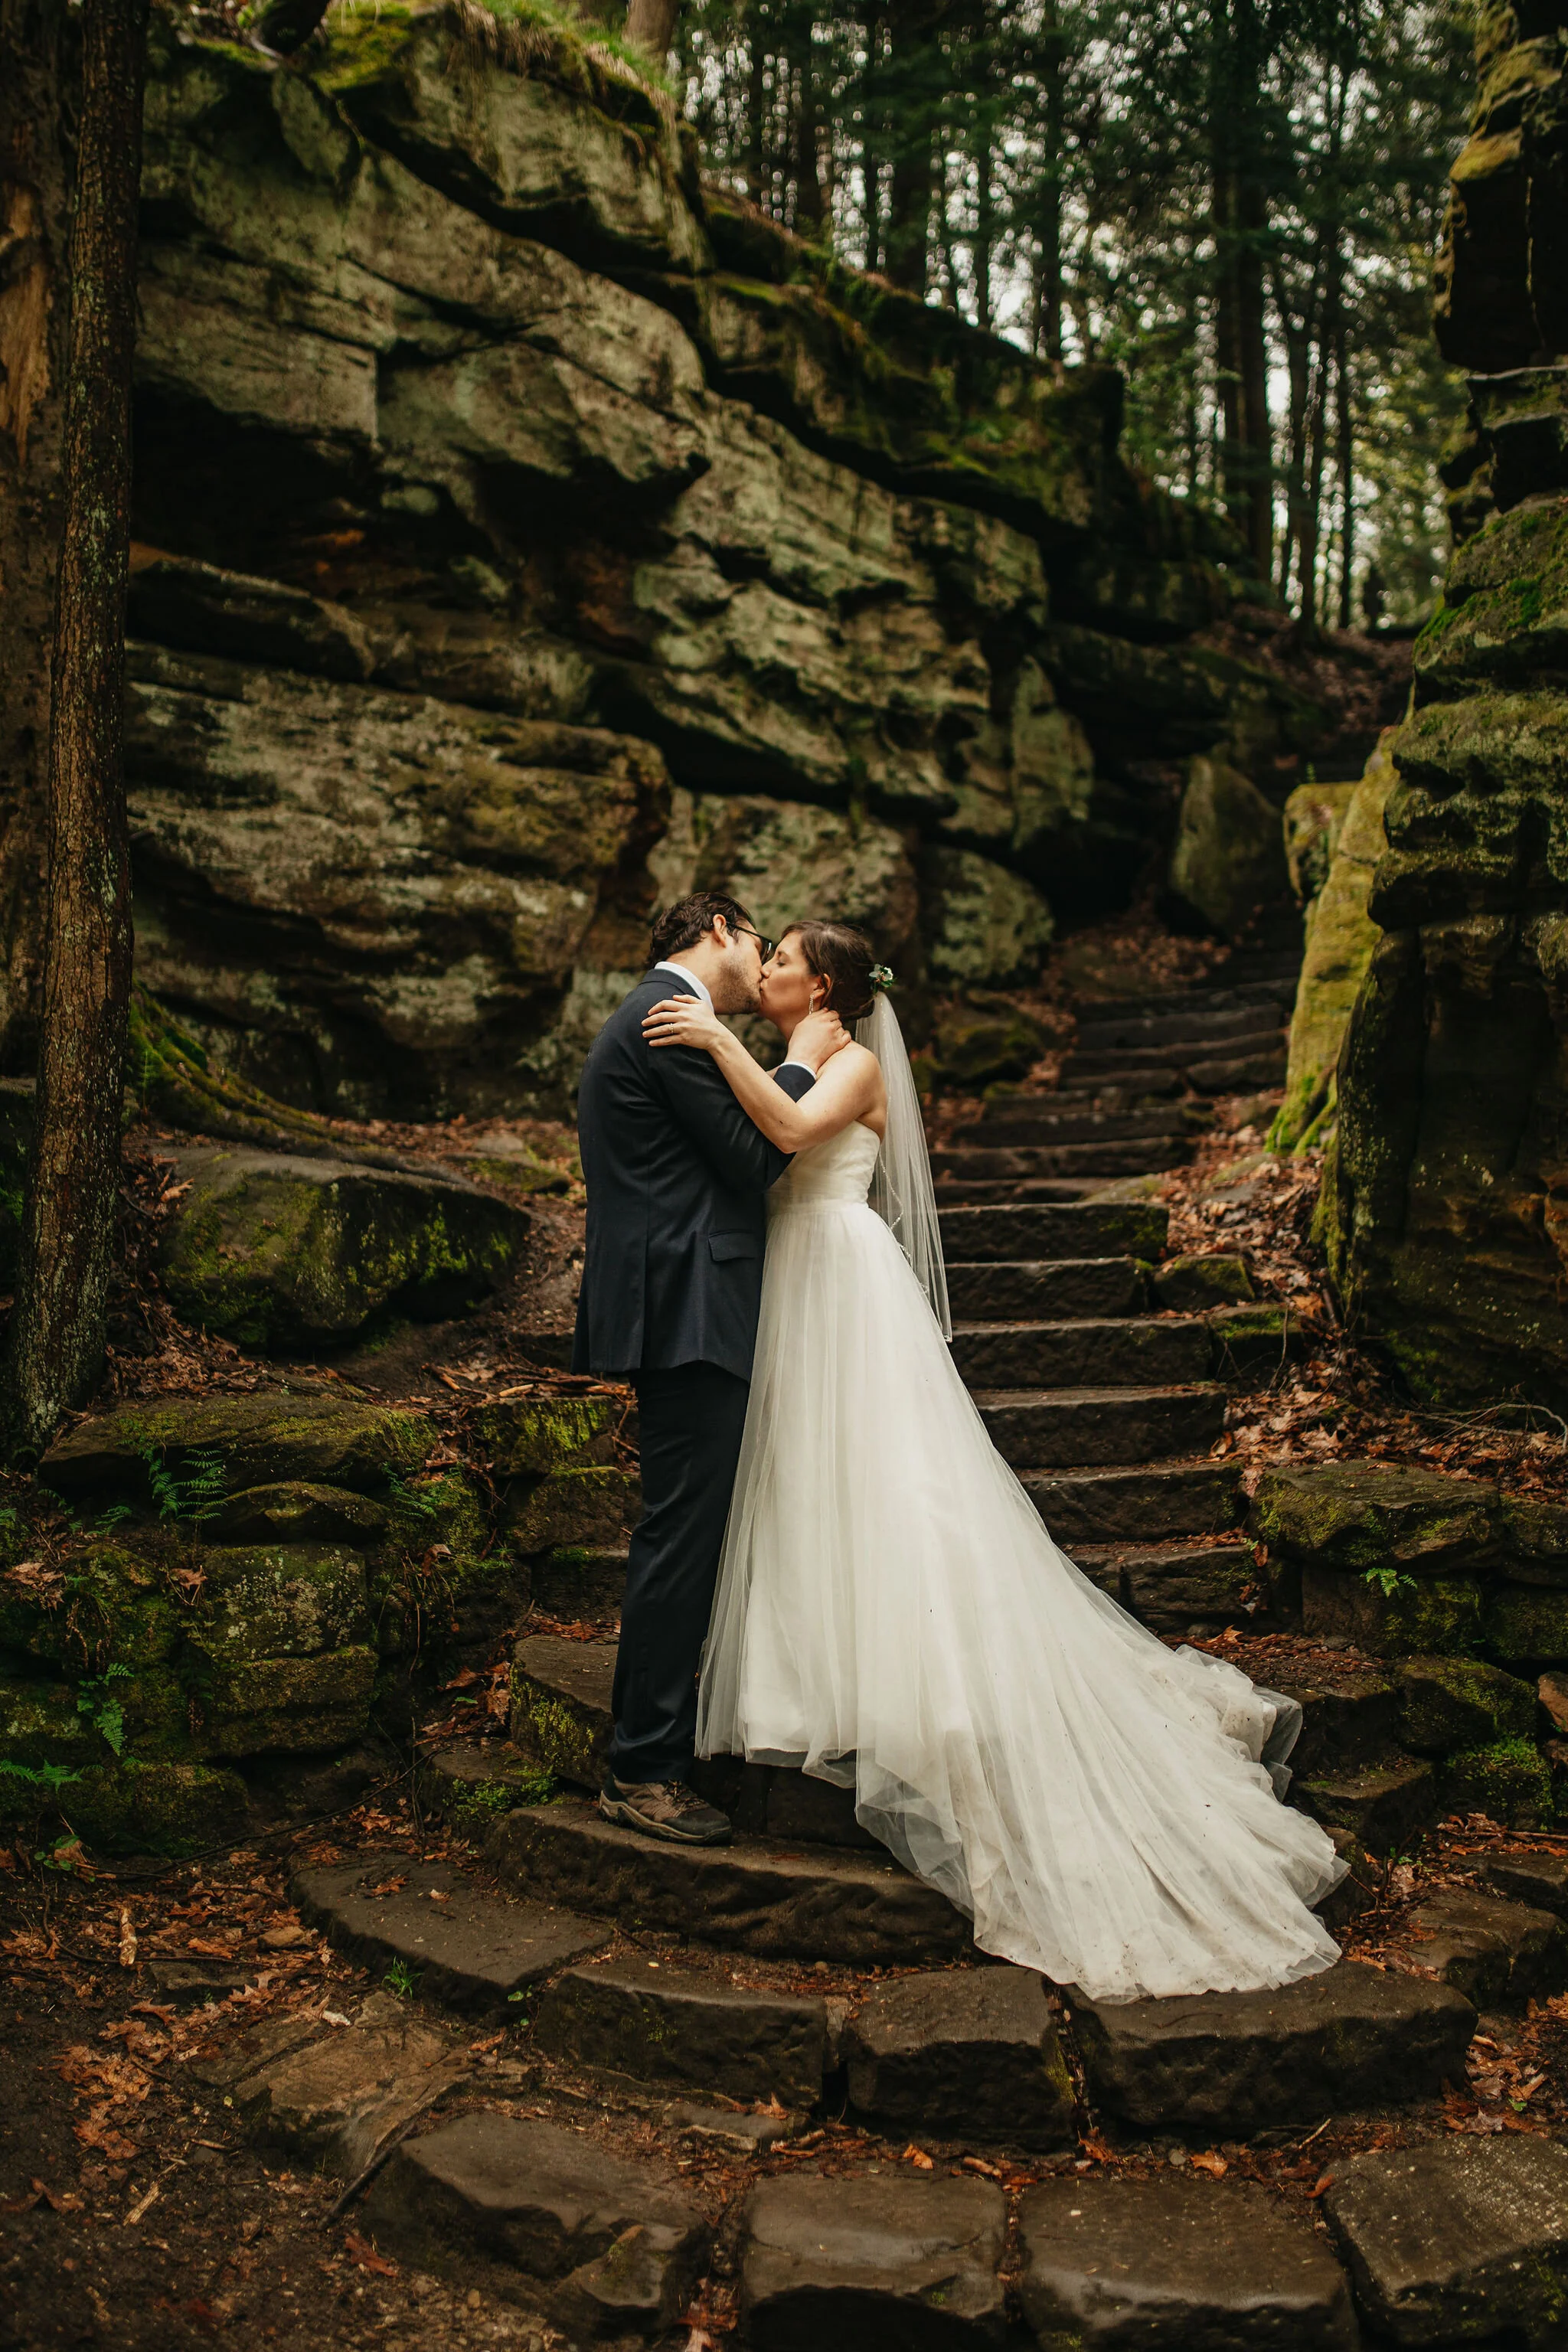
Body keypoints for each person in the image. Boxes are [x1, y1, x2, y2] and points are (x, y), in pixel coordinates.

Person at [640, 920, 1347, 2003]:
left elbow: (783, 1131)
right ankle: (801, 1681)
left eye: (780, 956)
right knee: (799, 1490)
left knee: (887, 1486)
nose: (765, 969)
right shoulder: (799, 1044)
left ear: (821, 982)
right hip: (786, 1283)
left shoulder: (856, 1059)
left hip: (841, 1278)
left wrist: (715, 1043)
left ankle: (918, 1682)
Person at [573, 892, 847, 1847]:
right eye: (760, 945)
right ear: (722, 933)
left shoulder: (665, 1015)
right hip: (686, 1310)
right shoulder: (668, 1020)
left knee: (683, 1532)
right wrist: (802, 1064)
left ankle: (655, 1747)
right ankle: (642, 1770)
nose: (765, 965)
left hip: (684, 1304)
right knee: (680, 1538)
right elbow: (752, 1160)